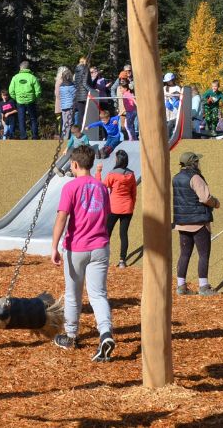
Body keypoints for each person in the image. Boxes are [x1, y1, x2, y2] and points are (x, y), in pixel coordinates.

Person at [49, 145, 115, 362]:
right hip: (100, 246)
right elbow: (106, 214)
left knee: (73, 294)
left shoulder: (70, 187)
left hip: (76, 246)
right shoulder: (101, 187)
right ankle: (105, 333)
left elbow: (62, 217)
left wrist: (54, 246)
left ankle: (70, 335)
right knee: (98, 294)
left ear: (75, 164)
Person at [172, 152, 220, 296]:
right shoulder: (195, 177)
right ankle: (203, 287)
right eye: (197, 161)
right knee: (203, 254)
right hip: (199, 222)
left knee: (185, 254)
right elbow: (205, 198)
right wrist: (216, 203)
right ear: (193, 163)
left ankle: (181, 286)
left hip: (182, 222)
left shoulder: (176, 178)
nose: (199, 164)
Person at [103, 149, 137, 269]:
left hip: (113, 207)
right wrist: (132, 205)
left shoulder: (112, 174)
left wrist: (98, 172)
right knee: (123, 234)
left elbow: (103, 186)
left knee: (107, 233)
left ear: (117, 160)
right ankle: (122, 260)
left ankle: (104, 258)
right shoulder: (131, 174)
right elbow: (134, 192)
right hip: (127, 207)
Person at [9, 60, 41, 139]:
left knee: (21, 119)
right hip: (31, 101)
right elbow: (38, 91)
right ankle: (35, 136)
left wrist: (16, 98)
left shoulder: (15, 77)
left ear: (21, 68)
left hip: (20, 101)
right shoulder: (32, 77)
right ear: (28, 68)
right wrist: (34, 98)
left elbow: (11, 91)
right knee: (33, 119)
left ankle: (23, 136)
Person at [54, 66, 77, 135]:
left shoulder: (61, 85)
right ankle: (66, 137)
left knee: (64, 122)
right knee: (68, 122)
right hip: (67, 105)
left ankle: (64, 136)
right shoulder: (68, 85)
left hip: (63, 105)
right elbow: (74, 95)